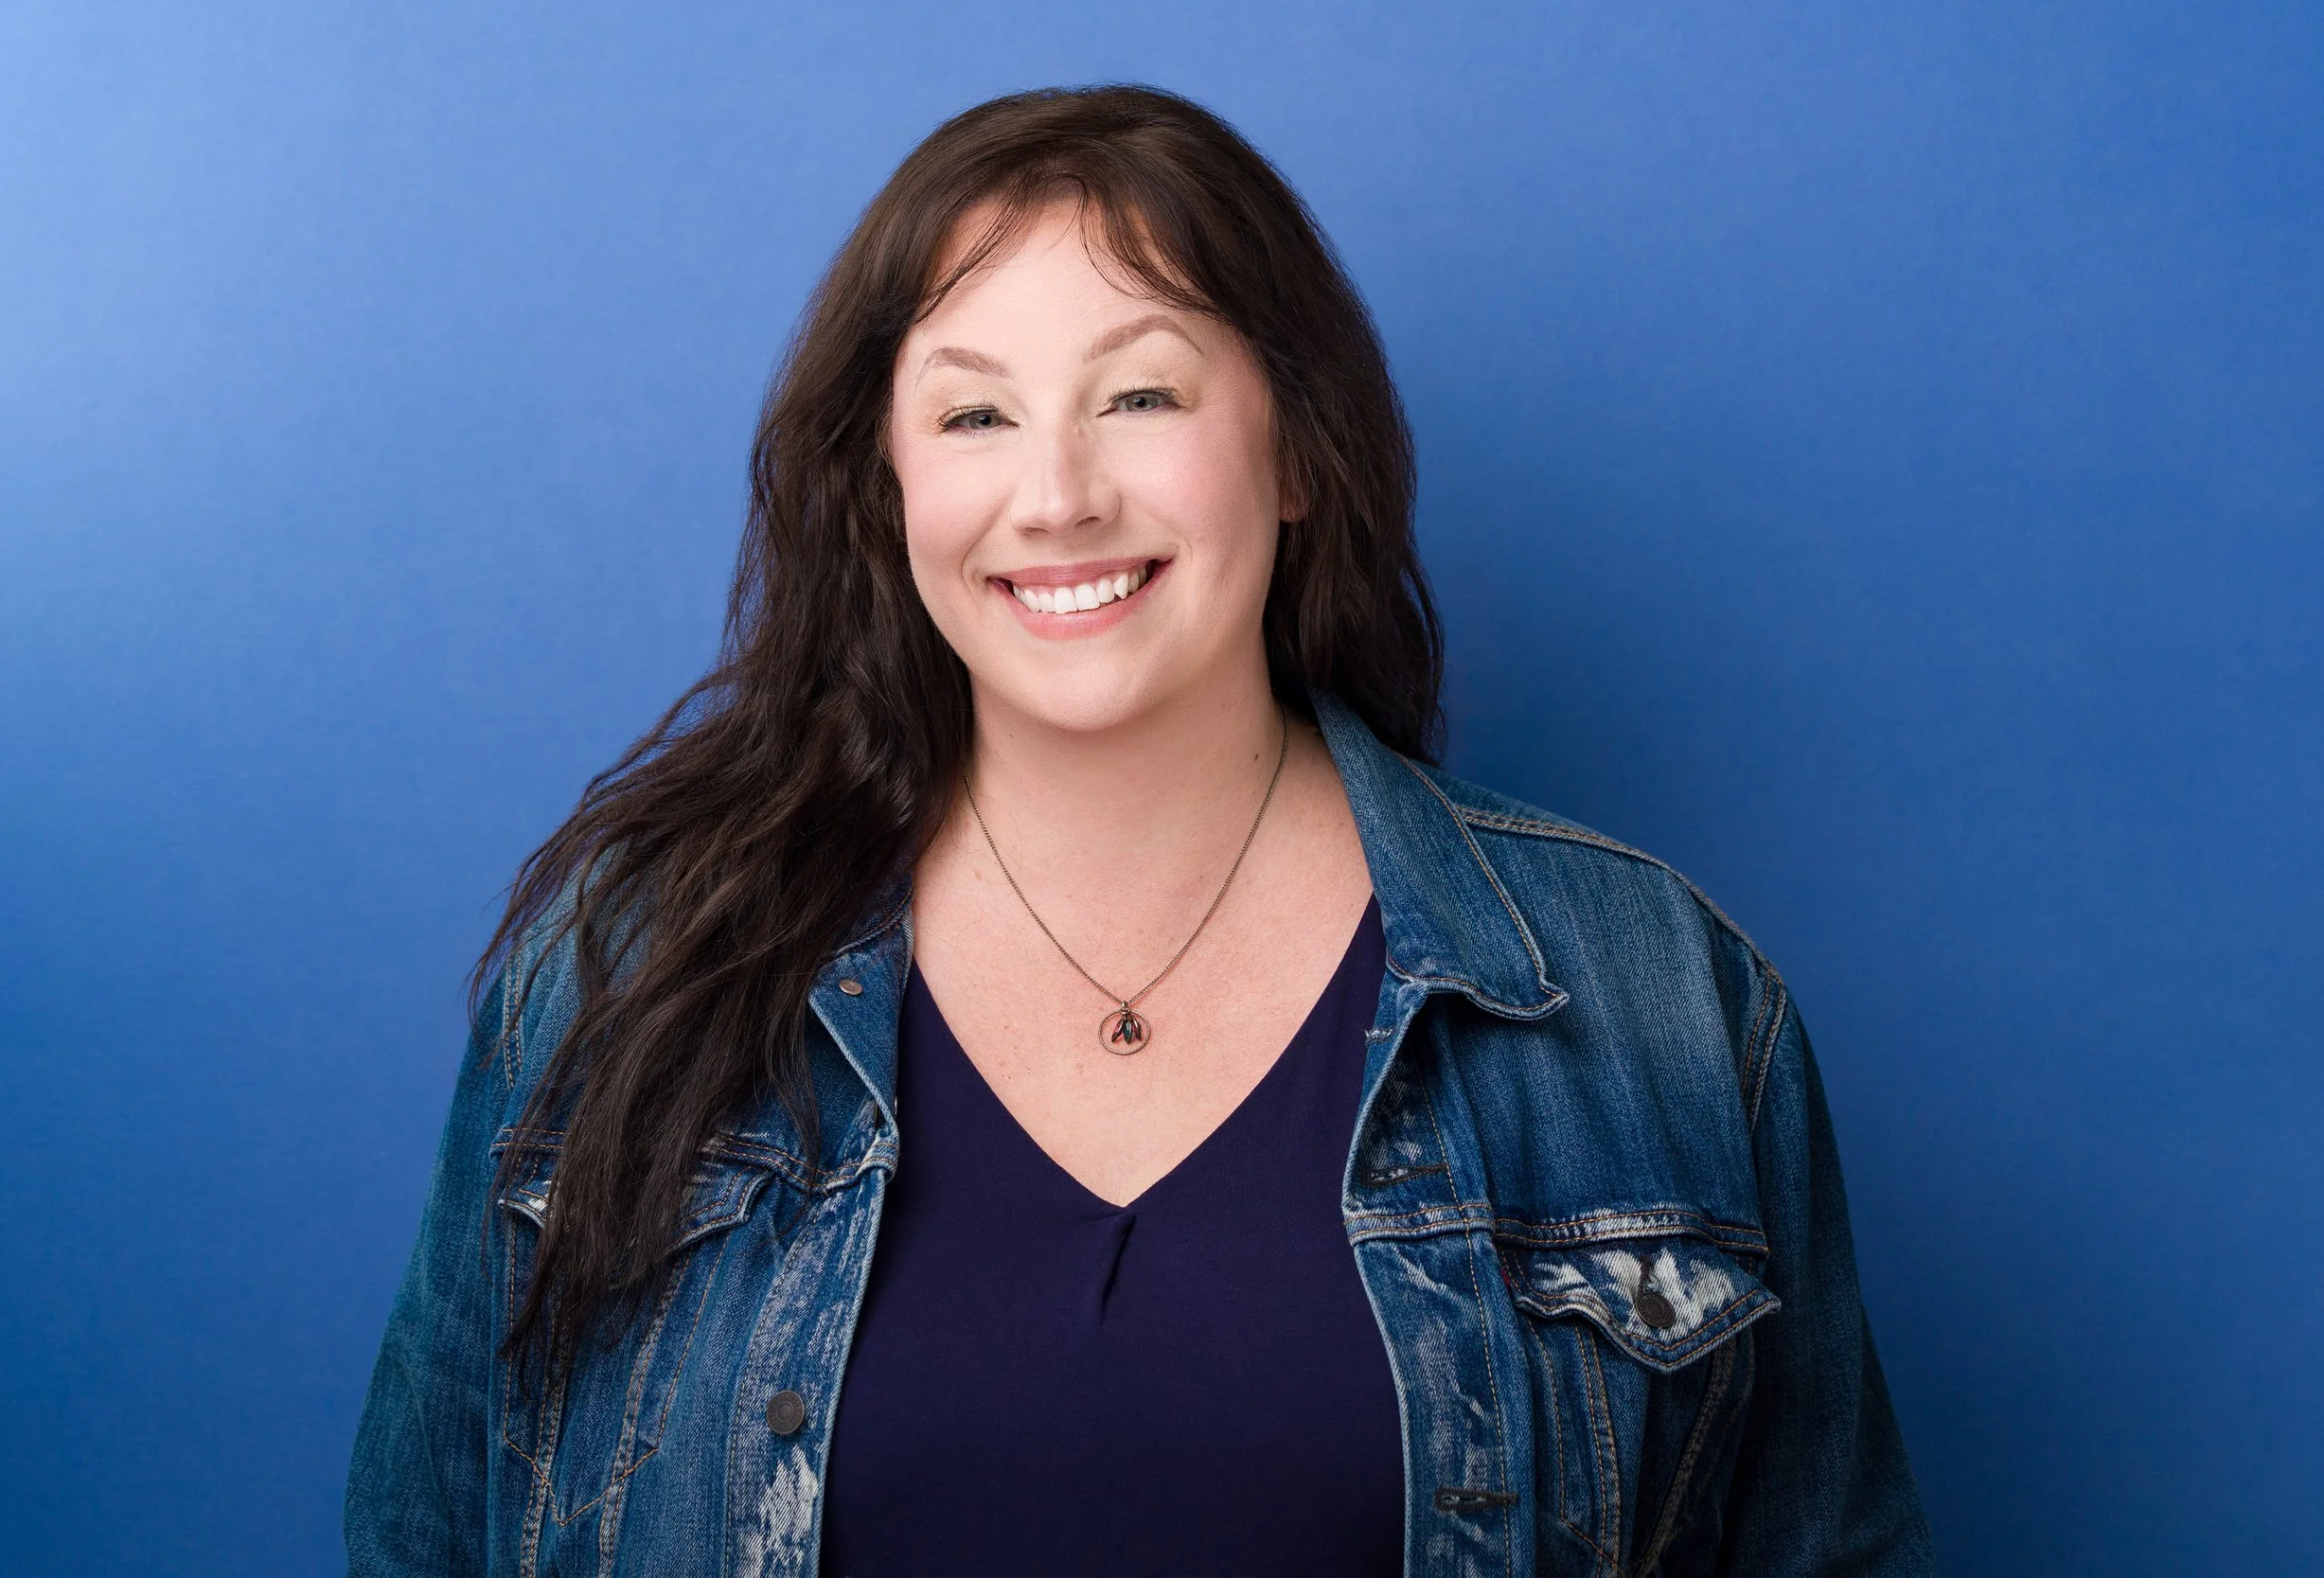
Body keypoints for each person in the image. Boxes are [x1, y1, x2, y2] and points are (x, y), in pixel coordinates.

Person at [345, 84, 1934, 1578]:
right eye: (974, 416)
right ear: (885, 482)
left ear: (1298, 448)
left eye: (1142, 393)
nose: (1058, 495)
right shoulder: (624, 973)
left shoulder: (1657, 998)